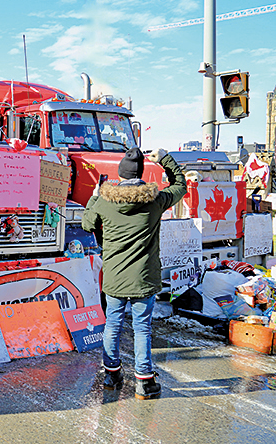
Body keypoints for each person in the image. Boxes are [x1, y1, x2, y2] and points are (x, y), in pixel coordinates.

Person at [81, 147, 186, 400]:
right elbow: (180, 184)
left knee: (112, 325)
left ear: (120, 173)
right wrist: (164, 158)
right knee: (142, 328)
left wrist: (95, 197)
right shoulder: (156, 200)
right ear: (140, 173)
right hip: (143, 278)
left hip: (115, 277)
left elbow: (87, 224)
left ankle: (111, 374)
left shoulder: (105, 200)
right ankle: (144, 382)